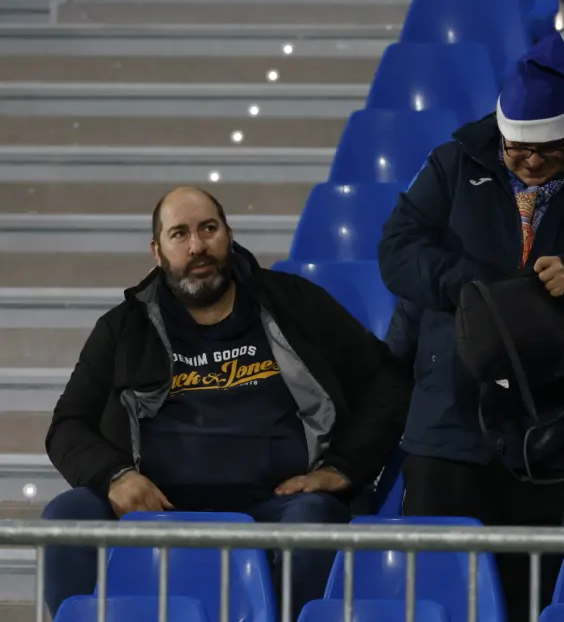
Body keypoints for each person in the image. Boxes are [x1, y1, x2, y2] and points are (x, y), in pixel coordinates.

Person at [378, 31, 564, 618]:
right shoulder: (452, 166)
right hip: (449, 421)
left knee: (527, 597)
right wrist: (478, 293)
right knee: (435, 594)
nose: (533, 162)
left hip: (548, 427)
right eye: (518, 151)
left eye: (549, 152)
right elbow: (398, 250)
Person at [42, 186, 412, 618]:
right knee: (68, 516)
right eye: (179, 234)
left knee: (315, 519)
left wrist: (344, 468)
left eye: (208, 229)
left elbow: (388, 379)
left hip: (276, 506)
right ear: (157, 251)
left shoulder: (293, 303)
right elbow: (67, 425)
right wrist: (115, 476)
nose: (197, 246)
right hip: (159, 507)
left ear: (229, 235)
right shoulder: (124, 328)